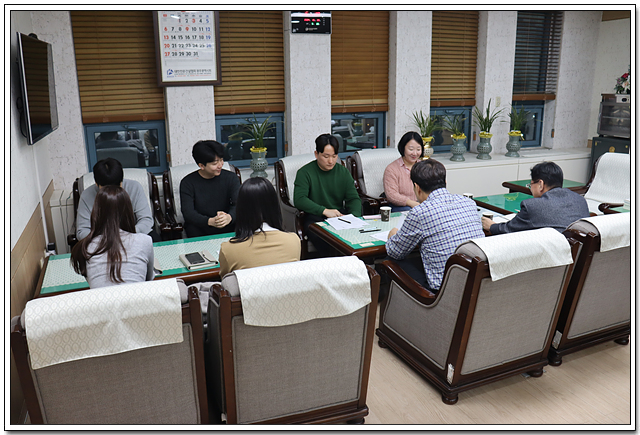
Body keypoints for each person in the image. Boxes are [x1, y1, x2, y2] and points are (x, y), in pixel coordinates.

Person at [385, 159, 484, 291]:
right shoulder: (469, 203)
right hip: (476, 283)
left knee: (389, 261)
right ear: (445, 183)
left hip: (442, 291)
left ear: (417, 188)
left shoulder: (420, 212)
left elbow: (395, 252)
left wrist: (392, 236)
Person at [70, 185, 155, 289]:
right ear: (128, 211)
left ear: (96, 213)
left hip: (101, 300)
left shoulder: (85, 247)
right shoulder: (145, 241)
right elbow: (148, 279)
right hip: (137, 298)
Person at [293, 133, 361, 255]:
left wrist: (354, 217)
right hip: (316, 216)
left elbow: (353, 198)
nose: (331, 161)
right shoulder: (305, 172)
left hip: (339, 215)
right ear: (316, 154)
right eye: (326, 156)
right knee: (325, 240)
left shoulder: (343, 172)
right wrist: (324, 211)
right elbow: (299, 199)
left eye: (334, 156)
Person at [218, 177, 301, 276]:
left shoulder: (228, 249)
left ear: (241, 209)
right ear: (275, 205)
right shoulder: (294, 240)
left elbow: (226, 279)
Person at [482, 161, 590, 235]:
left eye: (531, 185)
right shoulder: (580, 201)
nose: (530, 189)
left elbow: (509, 229)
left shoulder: (533, 206)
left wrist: (491, 226)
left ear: (540, 184)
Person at [76, 157, 158, 241]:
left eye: (117, 187)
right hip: (102, 241)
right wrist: (105, 239)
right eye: (106, 189)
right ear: (96, 184)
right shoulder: (86, 195)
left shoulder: (134, 187)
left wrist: (128, 236)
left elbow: (146, 220)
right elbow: (82, 231)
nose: (112, 192)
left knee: (154, 238)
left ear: (121, 181)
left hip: (132, 236)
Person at [180, 140, 241, 238]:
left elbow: (239, 204)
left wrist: (229, 217)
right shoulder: (188, 183)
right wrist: (210, 221)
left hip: (227, 223)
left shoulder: (231, 178)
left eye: (221, 160)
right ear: (201, 165)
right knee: (192, 228)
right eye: (215, 163)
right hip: (201, 226)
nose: (220, 165)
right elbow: (188, 213)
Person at [383, 131, 424, 212]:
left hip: (422, 204)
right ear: (403, 148)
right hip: (401, 206)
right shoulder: (391, 169)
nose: (415, 153)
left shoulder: (424, 167)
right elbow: (392, 195)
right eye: (411, 149)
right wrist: (411, 203)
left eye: (418, 149)